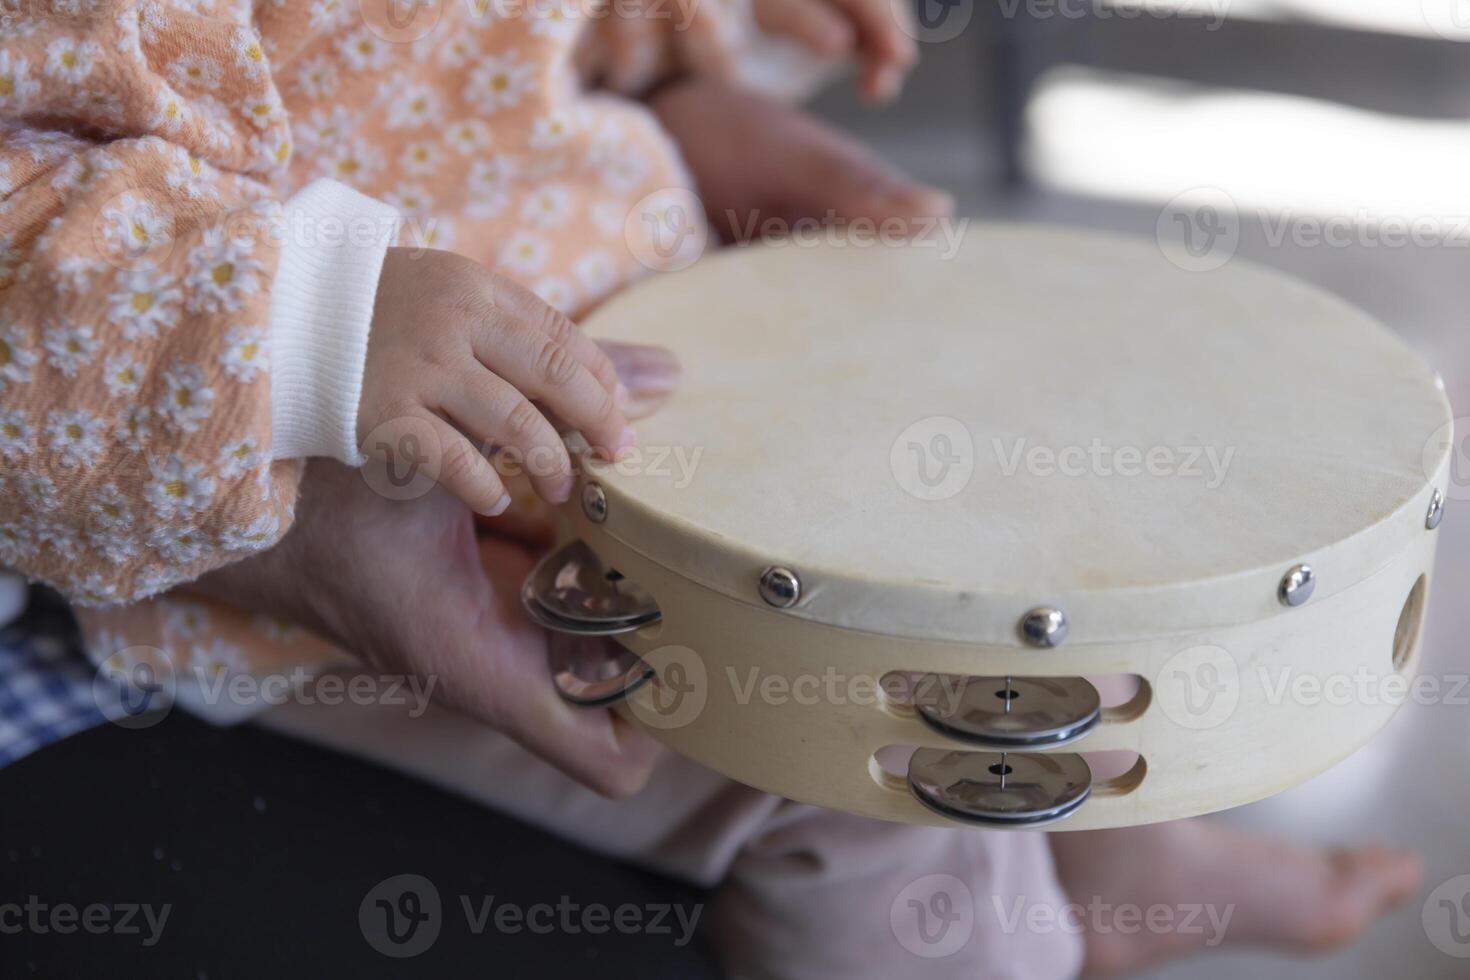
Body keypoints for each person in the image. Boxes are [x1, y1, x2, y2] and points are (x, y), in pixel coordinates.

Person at [0, 1, 1420, 975]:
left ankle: (1115, 861)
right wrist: (306, 332)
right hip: (308, 499)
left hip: (645, 343)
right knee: (851, 758)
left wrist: (708, 31)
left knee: (976, 574)